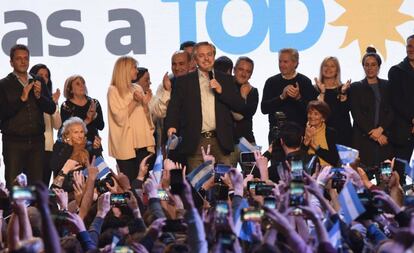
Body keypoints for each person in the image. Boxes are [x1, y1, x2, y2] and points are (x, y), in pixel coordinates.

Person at [165, 41, 246, 171]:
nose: (206, 58)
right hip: (196, 140)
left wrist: (221, 91)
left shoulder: (226, 79)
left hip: (221, 141)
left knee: (224, 184)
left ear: (214, 56)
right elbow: (174, 107)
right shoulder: (184, 81)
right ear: (195, 59)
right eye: (202, 55)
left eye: (209, 54)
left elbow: (240, 106)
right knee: (198, 185)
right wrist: (171, 126)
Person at [0, 44, 55, 187]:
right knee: (15, 187)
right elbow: (2, 114)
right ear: (11, 62)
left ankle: (33, 210)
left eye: (26, 58)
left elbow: (51, 108)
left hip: (37, 143)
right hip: (14, 144)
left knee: (36, 187)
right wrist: (21, 99)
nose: (23, 62)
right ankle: (15, 210)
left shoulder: (38, 80)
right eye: (19, 59)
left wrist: (39, 97)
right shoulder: (3, 84)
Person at [108, 56, 155, 181]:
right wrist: (134, 102)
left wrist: (145, 104)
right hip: (126, 148)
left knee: (145, 183)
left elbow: (146, 119)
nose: (136, 71)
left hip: (142, 144)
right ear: (124, 70)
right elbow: (119, 117)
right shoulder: (113, 90)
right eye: (134, 67)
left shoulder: (137, 88)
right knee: (128, 186)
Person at [350, 47, 394, 171]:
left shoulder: (388, 86)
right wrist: (373, 133)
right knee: (361, 181)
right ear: (363, 67)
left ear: (379, 66)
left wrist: (380, 130)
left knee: (386, 179)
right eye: (367, 65)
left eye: (373, 64)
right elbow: (356, 114)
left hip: (384, 141)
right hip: (362, 141)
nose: (370, 68)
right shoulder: (355, 87)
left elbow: (391, 111)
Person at [261, 48, 318, 142]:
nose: (281, 65)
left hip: (299, 136)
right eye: (280, 61)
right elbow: (264, 109)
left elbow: (311, 111)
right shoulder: (271, 82)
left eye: (285, 62)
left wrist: (298, 98)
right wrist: (281, 97)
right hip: (277, 137)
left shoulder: (305, 81)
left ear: (295, 63)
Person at [29, 64, 62, 184]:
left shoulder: (50, 99)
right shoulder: (28, 96)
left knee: (44, 186)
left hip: (48, 148)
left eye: (46, 76)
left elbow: (57, 126)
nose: (44, 78)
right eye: (40, 75)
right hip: (31, 147)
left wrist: (54, 104)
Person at [50, 117, 102, 189]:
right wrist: (68, 147)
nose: (80, 136)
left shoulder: (89, 145)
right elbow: (55, 166)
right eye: (76, 132)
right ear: (67, 134)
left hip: (85, 186)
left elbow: (101, 170)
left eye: (82, 132)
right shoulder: (60, 145)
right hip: (64, 185)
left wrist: (97, 150)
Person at [388, 34, 414, 174]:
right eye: (409, 46)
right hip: (403, 131)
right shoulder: (396, 71)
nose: (412, 49)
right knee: (398, 174)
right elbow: (396, 101)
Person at [314, 56, 353, 147]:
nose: (328, 69)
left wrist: (343, 93)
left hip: (343, 135)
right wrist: (322, 93)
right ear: (321, 68)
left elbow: (344, 112)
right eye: (326, 65)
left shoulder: (345, 88)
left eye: (332, 66)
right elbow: (316, 113)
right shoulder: (314, 89)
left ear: (337, 70)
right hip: (321, 135)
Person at [229, 56, 259, 168]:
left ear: (251, 74)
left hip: (247, 141)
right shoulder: (225, 87)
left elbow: (242, 116)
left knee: (254, 178)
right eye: (241, 69)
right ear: (234, 69)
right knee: (225, 180)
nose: (243, 74)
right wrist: (242, 98)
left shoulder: (253, 91)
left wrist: (243, 96)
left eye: (248, 71)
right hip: (227, 142)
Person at [60, 75, 104, 143]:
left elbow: (101, 126)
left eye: (83, 83)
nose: (82, 86)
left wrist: (94, 115)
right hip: (75, 147)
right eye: (78, 84)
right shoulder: (66, 106)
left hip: (94, 144)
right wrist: (87, 120)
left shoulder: (94, 103)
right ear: (70, 89)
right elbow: (67, 131)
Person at [303, 100, 340, 167]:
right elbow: (299, 158)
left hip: (328, 171)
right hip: (308, 171)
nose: (311, 116)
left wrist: (313, 146)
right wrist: (306, 143)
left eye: (316, 114)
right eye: (310, 113)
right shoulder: (303, 131)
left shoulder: (330, 133)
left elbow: (334, 159)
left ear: (323, 118)